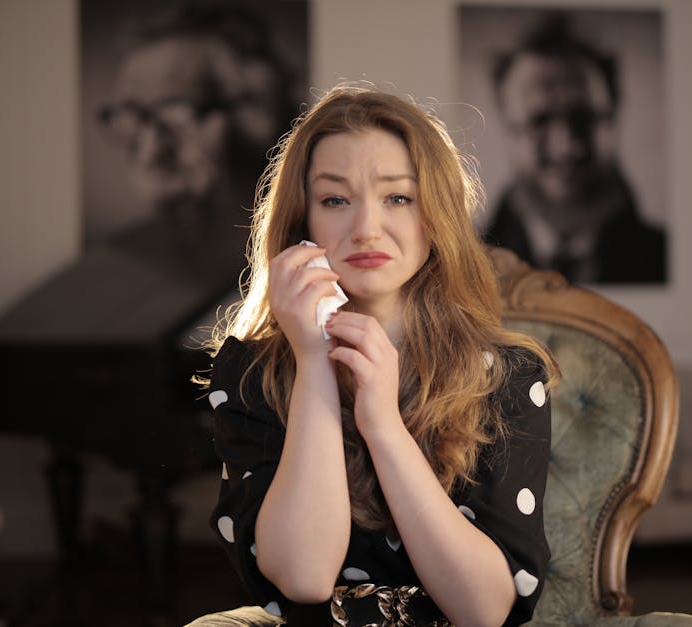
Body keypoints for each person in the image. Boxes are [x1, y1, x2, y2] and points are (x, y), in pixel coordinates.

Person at [192, 85, 560, 626]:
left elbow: (483, 610)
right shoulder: (251, 375)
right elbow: (304, 576)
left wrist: (383, 425)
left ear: (434, 215)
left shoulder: (505, 377)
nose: (366, 228)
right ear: (303, 223)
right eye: (335, 200)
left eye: (398, 198)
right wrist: (314, 360)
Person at [94, 1, 298, 282]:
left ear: (256, 118)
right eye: (134, 116)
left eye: (176, 114)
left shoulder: (304, 262)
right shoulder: (119, 266)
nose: (151, 151)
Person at [483, 17, 667, 284]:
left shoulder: (660, 257)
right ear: (506, 127)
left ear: (614, 118)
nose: (566, 146)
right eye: (540, 121)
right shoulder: (467, 265)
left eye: (583, 118)